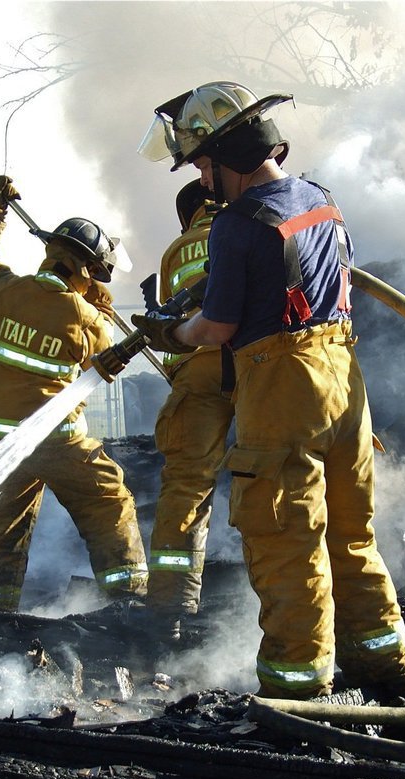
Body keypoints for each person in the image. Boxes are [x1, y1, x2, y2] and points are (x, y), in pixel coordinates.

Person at [133, 81, 405, 700]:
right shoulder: (321, 198)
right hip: (344, 378)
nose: (203, 181)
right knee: (352, 535)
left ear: (229, 155)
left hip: (284, 389)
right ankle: (389, 674)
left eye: (204, 164)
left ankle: (298, 693)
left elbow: (218, 328)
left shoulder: (237, 225)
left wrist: (170, 332)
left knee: (286, 541)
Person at [0, 175, 148, 612]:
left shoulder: (3, 290)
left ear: (51, 254)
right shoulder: (84, 316)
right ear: (88, 271)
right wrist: (99, 306)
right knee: (108, 503)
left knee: (1, 531)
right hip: (57, 441)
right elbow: (102, 365)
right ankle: (127, 599)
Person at [143, 180, 235, 637]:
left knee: (187, 489)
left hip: (197, 371)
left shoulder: (177, 250)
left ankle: (169, 611)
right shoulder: (253, 228)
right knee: (279, 478)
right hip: (260, 364)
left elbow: (168, 324)